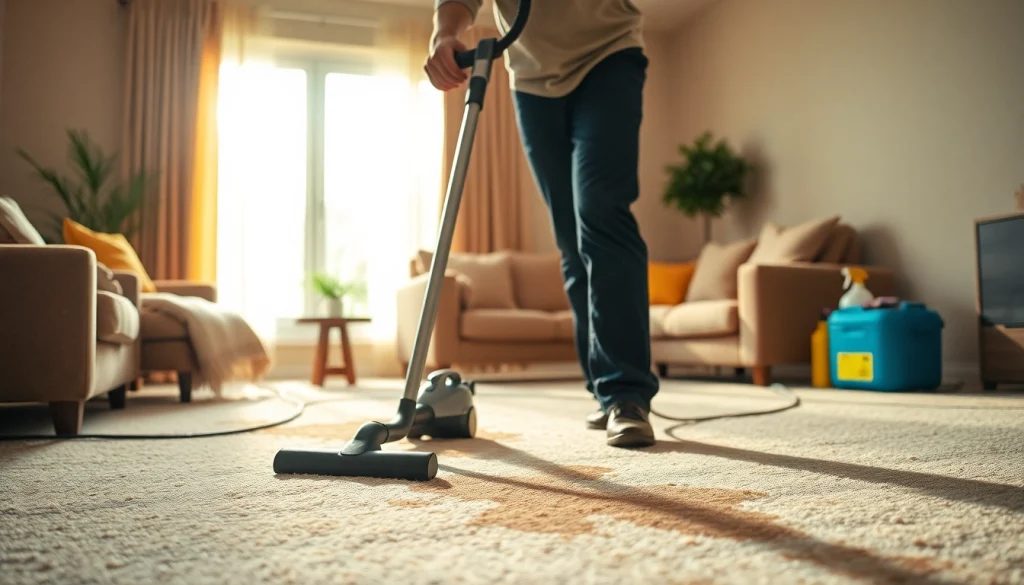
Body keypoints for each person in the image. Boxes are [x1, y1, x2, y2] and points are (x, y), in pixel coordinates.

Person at [424, 0, 659, 448]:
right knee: (571, 239)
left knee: (601, 212)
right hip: (531, 80)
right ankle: (604, 390)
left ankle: (626, 394)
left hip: (609, 54)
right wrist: (444, 33)